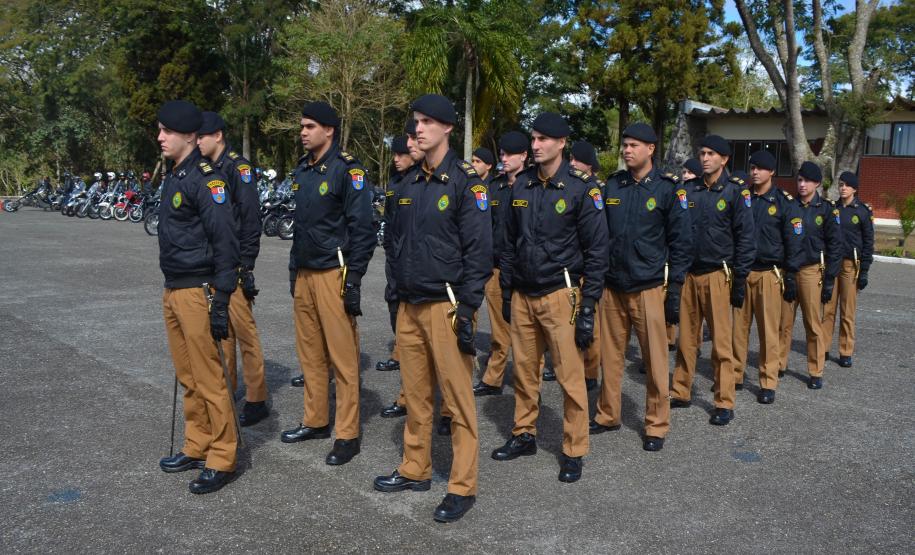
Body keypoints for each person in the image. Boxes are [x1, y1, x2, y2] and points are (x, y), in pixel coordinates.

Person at [373, 94, 491, 523]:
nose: (416, 129)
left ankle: (462, 485)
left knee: (458, 401)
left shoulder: (464, 183)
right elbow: (395, 245)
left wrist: (468, 308)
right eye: (415, 122)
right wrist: (394, 297)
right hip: (410, 304)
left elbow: (479, 254)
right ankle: (415, 468)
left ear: (446, 129)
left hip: (446, 307)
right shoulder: (405, 183)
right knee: (417, 397)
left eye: (425, 122)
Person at [491, 112, 609, 482]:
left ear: (561, 143)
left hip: (561, 295)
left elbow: (597, 251)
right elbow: (508, 243)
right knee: (524, 372)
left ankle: (574, 448)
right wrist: (507, 290)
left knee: (570, 376)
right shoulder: (521, 185)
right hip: (524, 294)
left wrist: (588, 304)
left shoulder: (581, 188)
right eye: (533, 138)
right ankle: (523, 433)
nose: (535, 145)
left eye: (543, 139)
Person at [280, 101, 375, 466]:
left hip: (333, 275)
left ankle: (347, 433)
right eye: (301, 126)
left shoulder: (347, 171)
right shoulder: (303, 171)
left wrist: (354, 279)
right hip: (305, 273)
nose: (303, 132)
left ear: (329, 130)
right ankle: (315, 419)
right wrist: (293, 271)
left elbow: (362, 228)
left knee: (344, 360)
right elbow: (301, 229)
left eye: (309, 126)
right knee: (310, 356)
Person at [155, 100, 240, 494]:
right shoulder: (172, 176)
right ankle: (197, 443)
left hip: (198, 290)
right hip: (173, 287)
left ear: (189, 135)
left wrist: (222, 298)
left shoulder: (208, 180)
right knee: (187, 376)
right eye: (160, 130)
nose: (160, 137)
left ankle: (222, 456)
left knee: (210, 378)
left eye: (167, 131)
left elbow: (226, 241)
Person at [590, 123, 691, 451]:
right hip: (613, 286)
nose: (627, 150)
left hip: (648, 287)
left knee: (655, 360)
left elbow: (680, 241)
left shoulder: (667, 188)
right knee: (611, 357)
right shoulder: (613, 186)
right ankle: (608, 413)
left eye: (634, 145)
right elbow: (599, 235)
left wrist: (674, 287)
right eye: (625, 145)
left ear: (651, 148)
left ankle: (656, 424)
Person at [670, 135, 755, 426]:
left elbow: (746, 238)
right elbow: (678, 235)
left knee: (720, 344)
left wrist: (741, 278)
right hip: (690, 274)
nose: (705, 158)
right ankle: (681, 391)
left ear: (724, 159)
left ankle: (723, 400)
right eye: (702, 153)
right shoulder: (688, 190)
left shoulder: (734, 192)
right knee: (686, 340)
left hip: (719, 274)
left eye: (711, 154)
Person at [377, 121, 454, 436]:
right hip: (405, 281)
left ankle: (449, 411)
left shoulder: (455, 180)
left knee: (448, 366)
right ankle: (407, 402)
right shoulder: (401, 184)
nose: (401, 153)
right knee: (413, 362)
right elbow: (395, 233)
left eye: (410, 140)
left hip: (441, 288)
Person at [197, 111, 269, 426]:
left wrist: (246, 264)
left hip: (235, 263)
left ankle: (257, 398)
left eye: (201, 136)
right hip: (213, 263)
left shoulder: (238, 168)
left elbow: (250, 218)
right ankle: (228, 389)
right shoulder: (207, 170)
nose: (196, 141)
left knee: (244, 332)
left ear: (217, 136)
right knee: (221, 330)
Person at [731, 150, 804, 404]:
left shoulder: (784, 202)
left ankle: (767, 381)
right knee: (737, 330)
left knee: (768, 332)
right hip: (743, 272)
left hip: (769, 275)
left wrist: (792, 274)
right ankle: (735, 375)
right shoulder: (742, 197)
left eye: (760, 168)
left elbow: (794, 241)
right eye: (752, 167)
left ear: (771, 172)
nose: (754, 172)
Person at [473, 131, 529, 397]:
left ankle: (530, 383)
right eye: (502, 155)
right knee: (500, 328)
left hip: (526, 270)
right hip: (496, 267)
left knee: (529, 334)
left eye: (510, 155)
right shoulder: (493, 187)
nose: (504, 159)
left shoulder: (531, 185)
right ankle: (494, 378)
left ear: (524, 156)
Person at [777, 162, 843, 388]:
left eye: (807, 181)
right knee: (783, 322)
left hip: (812, 271)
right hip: (789, 271)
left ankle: (815, 370)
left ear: (816, 183)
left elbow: (835, 246)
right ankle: (779, 363)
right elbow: (781, 241)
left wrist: (830, 280)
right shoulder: (788, 207)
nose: (802, 185)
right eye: (799, 180)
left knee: (812, 324)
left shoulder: (826, 210)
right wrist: (785, 273)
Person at [822, 171, 874, 368]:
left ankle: (845, 350)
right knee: (828, 309)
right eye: (841, 184)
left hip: (851, 265)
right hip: (831, 264)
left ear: (854, 188)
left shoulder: (862, 211)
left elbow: (868, 242)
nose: (843, 188)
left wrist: (865, 270)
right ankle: (824, 347)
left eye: (847, 185)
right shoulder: (832, 209)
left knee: (847, 310)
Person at [569, 140, 605, 391]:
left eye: (576, 160)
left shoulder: (595, 190)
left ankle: (591, 371)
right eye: (569, 159)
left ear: (589, 165)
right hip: (572, 265)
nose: (571, 164)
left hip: (590, 265)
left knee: (590, 321)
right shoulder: (571, 186)